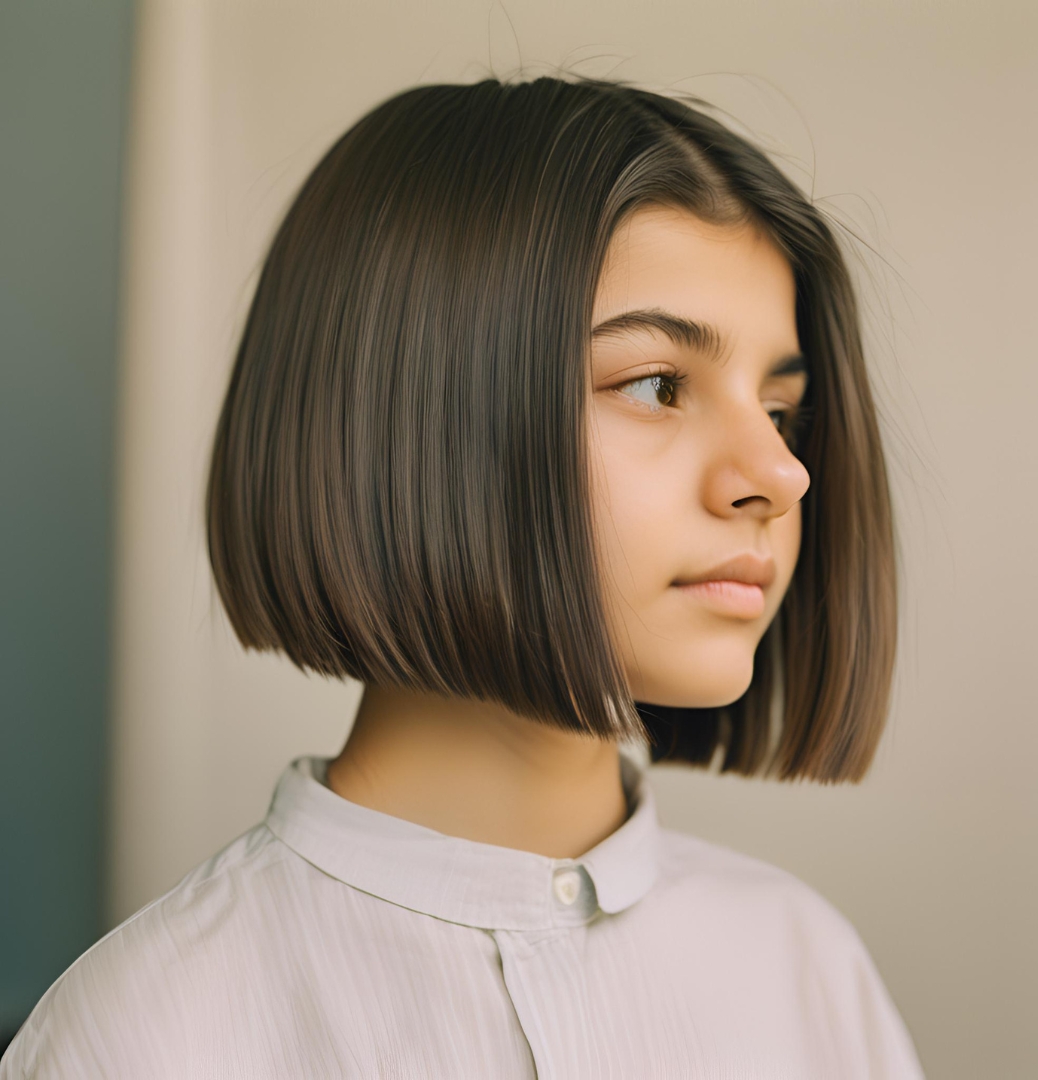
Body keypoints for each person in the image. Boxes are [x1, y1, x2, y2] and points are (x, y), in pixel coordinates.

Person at [1, 75, 926, 1078]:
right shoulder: (146, 1038)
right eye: (659, 385)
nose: (781, 474)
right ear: (412, 423)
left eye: (781, 411)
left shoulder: (807, 976)